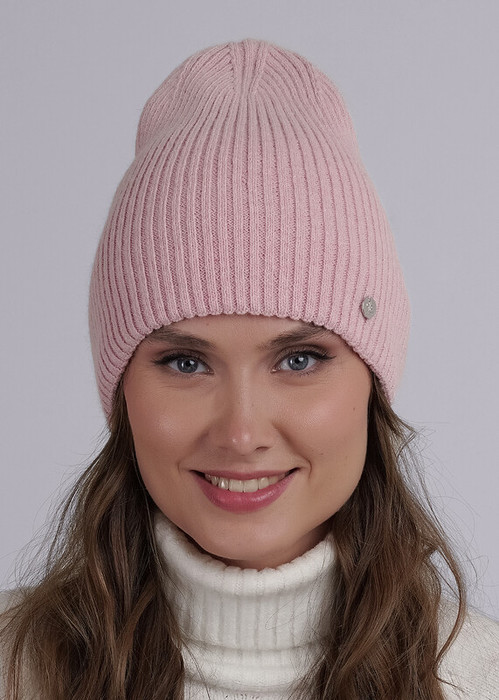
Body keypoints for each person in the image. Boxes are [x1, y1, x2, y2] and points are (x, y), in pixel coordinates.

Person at [1, 38, 498, 700]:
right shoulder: (14, 666)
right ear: (121, 389)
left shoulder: (477, 678)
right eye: (185, 362)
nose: (240, 434)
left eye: (299, 359)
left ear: (372, 381)